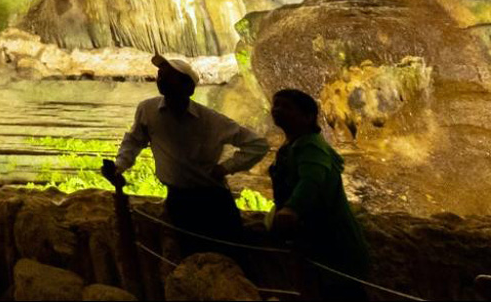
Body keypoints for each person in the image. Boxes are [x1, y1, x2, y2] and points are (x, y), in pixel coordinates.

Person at [101, 54, 269, 256]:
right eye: (160, 75)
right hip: (178, 198)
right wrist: (119, 165)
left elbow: (257, 144)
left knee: (228, 253)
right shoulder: (147, 110)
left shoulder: (210, 120)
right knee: (190, 255)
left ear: (188, 87)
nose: (161, 79)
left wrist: (226, 167)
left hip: (213, 200)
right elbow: (134, 141)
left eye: (168, 76)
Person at [268, 88, 372, 301]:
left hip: (330, 240)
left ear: (308, 117)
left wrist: (292, 208)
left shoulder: (311, 146)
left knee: (341, 292)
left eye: (286, 107)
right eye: (276, 105)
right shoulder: (294, 145)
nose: (277, 110)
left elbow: (312, 179)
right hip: (312, 237)